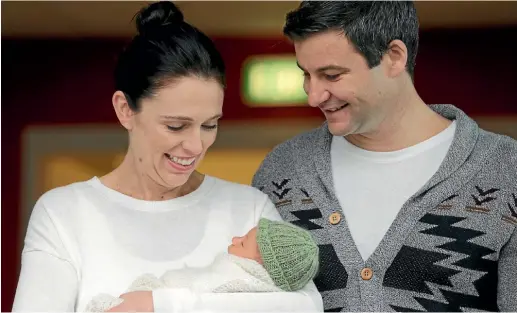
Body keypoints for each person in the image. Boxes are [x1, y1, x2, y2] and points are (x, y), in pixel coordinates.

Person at [12, 2, 323, 312]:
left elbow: (305, 308)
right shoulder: (64, 215)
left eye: (209, 125)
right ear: (125, 110)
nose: (195, 145)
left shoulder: (249, 210)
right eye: (176, 126)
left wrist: (161, 303)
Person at [252, 1, 517, 312]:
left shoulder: (506, 169)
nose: (313, 96)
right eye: (307, 75)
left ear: (394, 57)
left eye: (332, 75)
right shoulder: (281, 171)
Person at [85, 218, 320, 312]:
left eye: (244, 241)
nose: (235, 239)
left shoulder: (237, 281)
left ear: (262, 263)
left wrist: (156, 297)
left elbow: (203, 292)